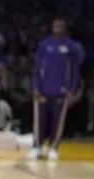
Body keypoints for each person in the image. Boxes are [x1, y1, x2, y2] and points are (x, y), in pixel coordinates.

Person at [30, 19, 85, 162]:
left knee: (58, 121)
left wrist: (72, 90)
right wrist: (36, 87)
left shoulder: (71, 47)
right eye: (56, 26)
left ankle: (54, 147)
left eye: (61, 26)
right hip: (43, 89)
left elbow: (75, 71)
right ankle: (37, 146)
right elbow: (36, 68)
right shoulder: (44, 45)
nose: (58, 28)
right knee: (40, 120)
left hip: (61, 90)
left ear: (66, 28)